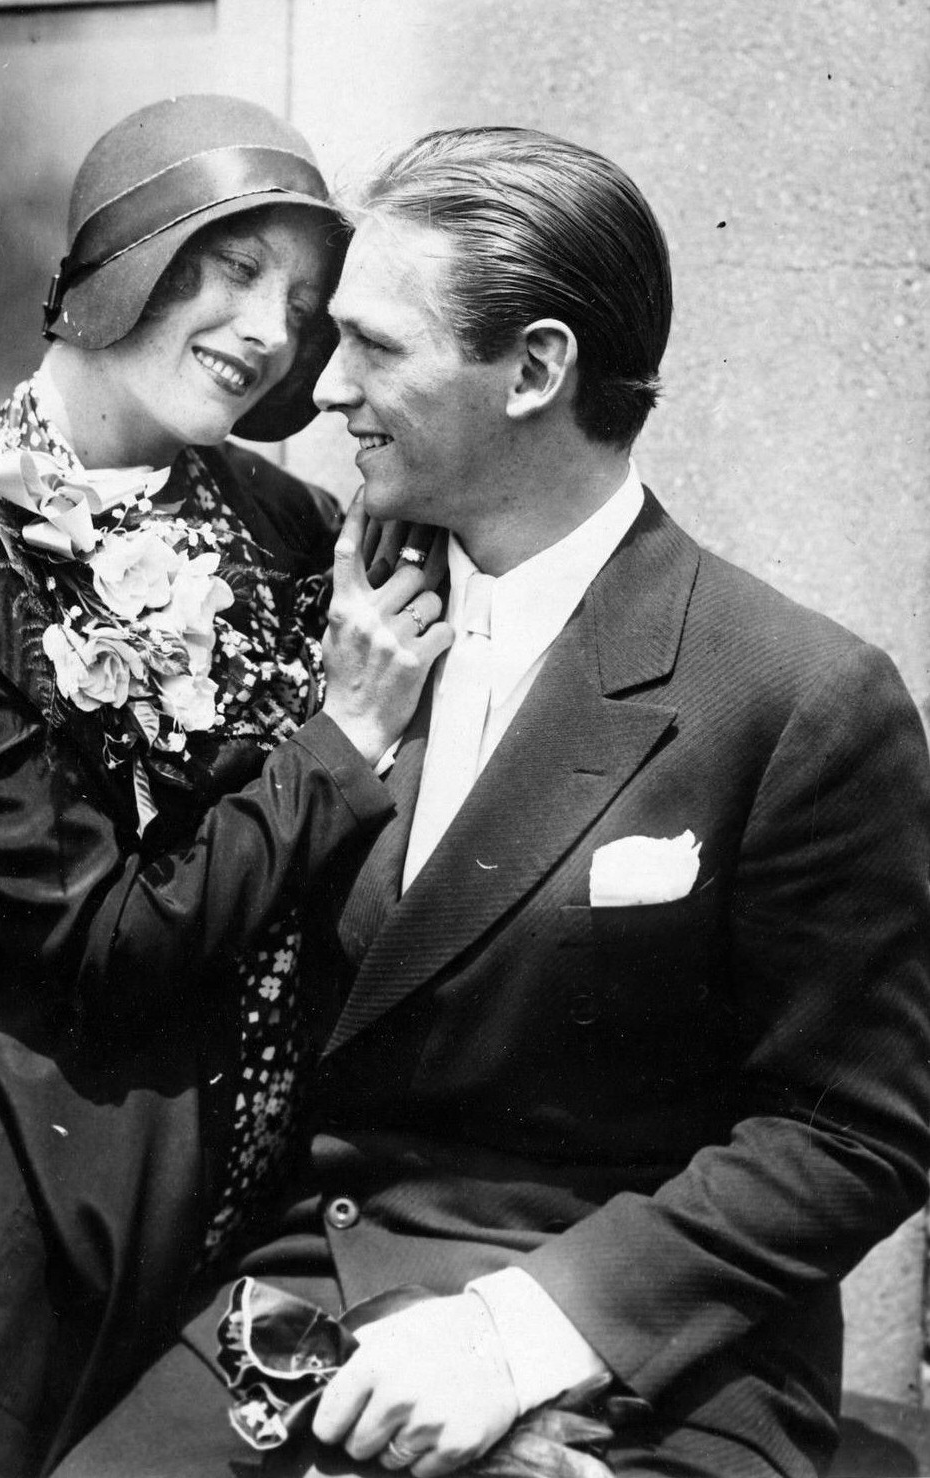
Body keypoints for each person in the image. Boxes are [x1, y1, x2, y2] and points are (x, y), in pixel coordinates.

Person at [52, 126, 930, 1478]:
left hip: (647, 1347)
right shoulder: (331, 621)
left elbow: (858, 1125)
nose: (323, 386)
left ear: (535, 369)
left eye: (377, 348)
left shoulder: (795, 694)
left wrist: (517, 1341)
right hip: (319, 1291)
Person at [0, 96, 452, 1478]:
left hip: (262, 1217)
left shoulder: (289, 524)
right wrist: (338, 738)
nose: (268, 331)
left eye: (298, 302)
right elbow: (110, 946)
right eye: (231, 268)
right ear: (125, 258)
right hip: (45, 1232)